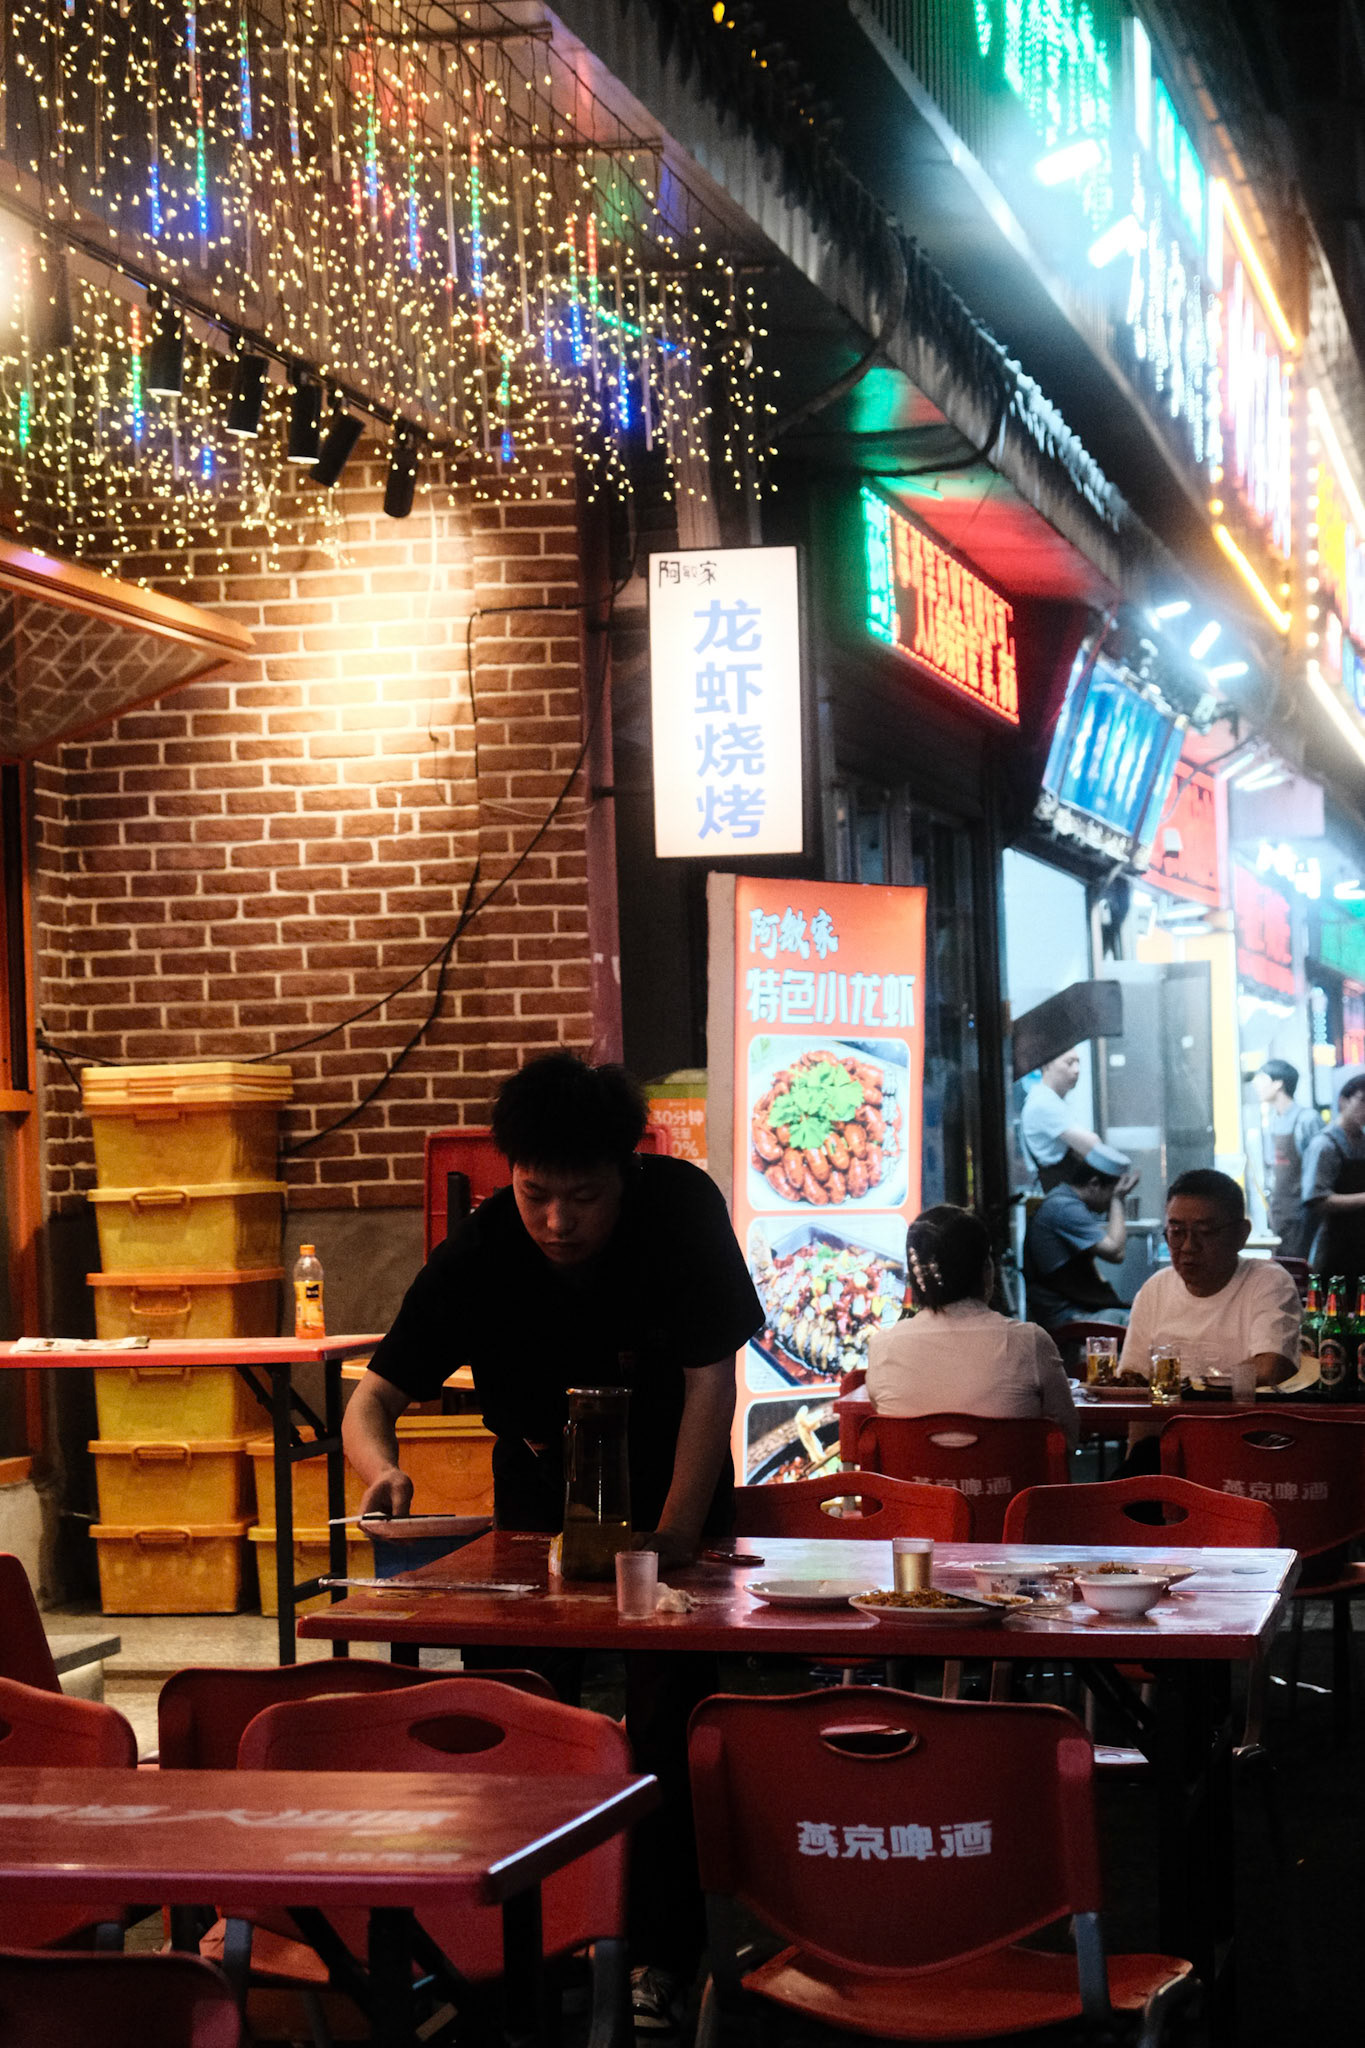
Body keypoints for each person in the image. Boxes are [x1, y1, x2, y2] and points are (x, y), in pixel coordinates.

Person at [343, 1051, 763, 2033]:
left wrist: (675, 1531)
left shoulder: (680, 1208)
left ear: (626, 1171)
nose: (559, 1221)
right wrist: (380, 1471)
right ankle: (514, 1953)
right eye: (537, 1195)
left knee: (667, 1727)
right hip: (536, 1508)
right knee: (514, 1719)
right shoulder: (484, 1245)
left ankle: (661, 1957)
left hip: (673, 1487)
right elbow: (374, 1396)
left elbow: (711, 1380)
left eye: (583, 1196)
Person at [864, 1205, 1078, 1448]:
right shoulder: (1031, 1342)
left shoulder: (883, 1346)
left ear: (915, 1277)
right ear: (986, 1270)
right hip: (1010, 1475)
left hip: (911, 1475)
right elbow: (1066, 1439)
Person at [1120, 1169, 1299, 1389]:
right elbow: (1131, 1376)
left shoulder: (1268, 1282)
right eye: (1177, 1232)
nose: (1188, 1246)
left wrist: (1194, 1388)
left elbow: (1270, 1369)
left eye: (1205, 1232)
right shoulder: (1155, 1289)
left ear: (1241, 1235)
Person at [1022, 1155, 1138, 1336]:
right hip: (1067, 1316)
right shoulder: (1064, 1207)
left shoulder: (1063, 1200)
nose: (1108, 1204)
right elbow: (1115, 1252)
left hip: (1076, 1309)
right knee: (1142, 1324)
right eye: (1111, 1192)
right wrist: (1117, 1199)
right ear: (1094, 1184)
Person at [1019, 1046, 1132, 1193]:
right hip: (1058, 1194)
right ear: (1047, 1065)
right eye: (1069, 1062)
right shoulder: (1044, 1102)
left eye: (1078, 1062)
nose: (1077, 1069)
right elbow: (1092, 1145)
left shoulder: (1049, 1100)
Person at [1252, 1059, 1321, 1258]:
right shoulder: (1273, 1121)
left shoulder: (1307, 1119)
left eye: (1261, 1078)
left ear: (1278, 1083)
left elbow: (1320, 1170)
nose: (1256, 1084)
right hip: (1280, 1212)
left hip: (1302, 1213)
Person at [1301, 1073, 1365, 1278]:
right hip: (1334, 1245)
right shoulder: (1324, 1145)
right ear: (1343, 1101)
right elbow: (1316, 1199)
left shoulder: (1362, 1142)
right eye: (1362, 1101)